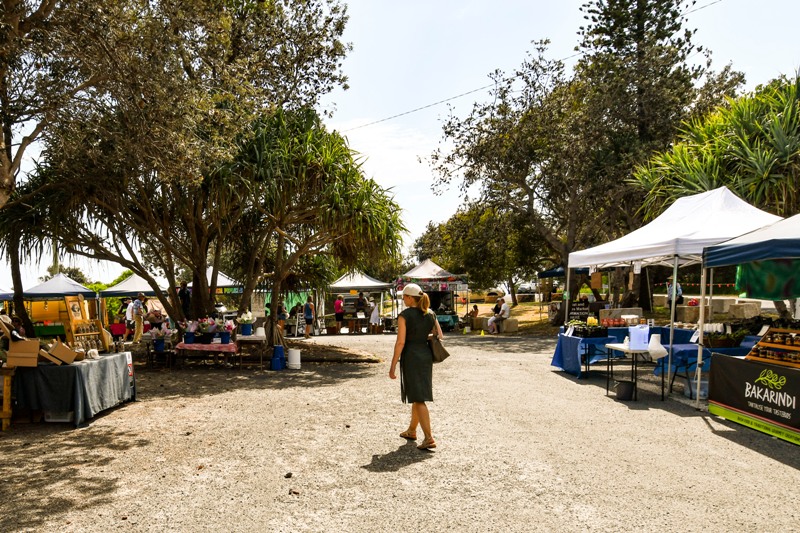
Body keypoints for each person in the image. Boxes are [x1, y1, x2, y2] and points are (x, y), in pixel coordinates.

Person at [390, 283, 442, 450]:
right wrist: (422, 336)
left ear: (410, 298)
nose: (403, 299)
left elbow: (400, 342)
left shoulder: (404, 315)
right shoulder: (430, 313)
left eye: (404, 297)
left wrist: (392, 366)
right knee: (416, 393)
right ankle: (412, 430)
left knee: (419, 398)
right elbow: (439, 335)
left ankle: (428, 437)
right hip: (425, 356)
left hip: (411, 356)